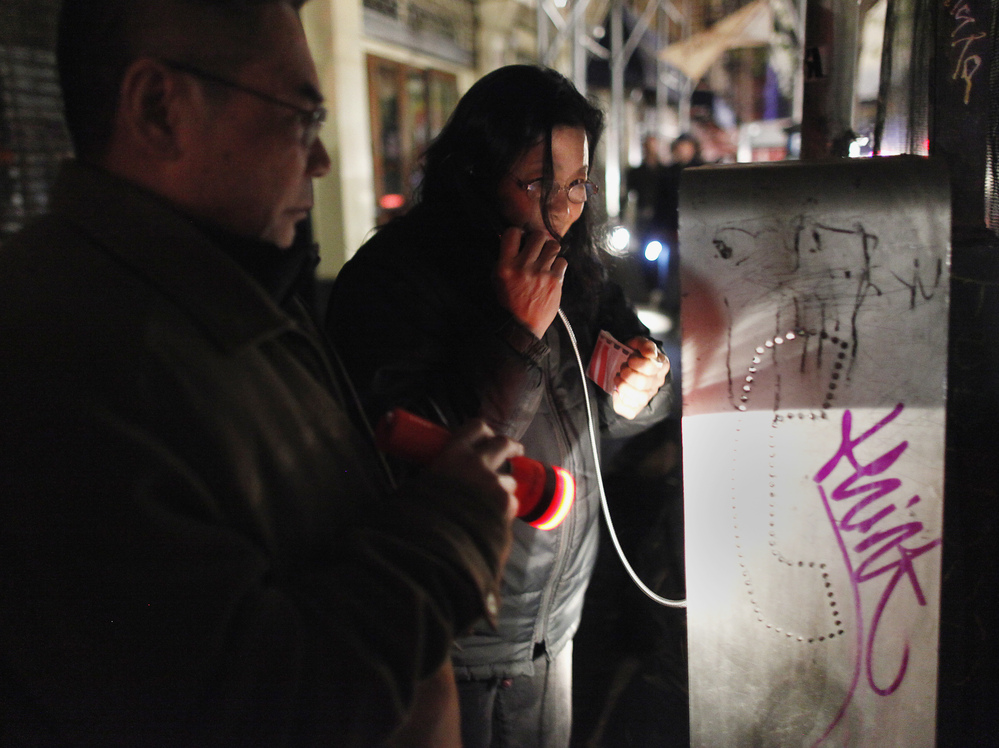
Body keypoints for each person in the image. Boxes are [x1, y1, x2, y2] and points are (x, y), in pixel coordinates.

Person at [0, 1, 523, 745]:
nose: (322, 159)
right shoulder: (68, 353)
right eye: (301, 115)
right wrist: (450, 530)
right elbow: (254, 703)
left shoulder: (223, 290)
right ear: (160, 107)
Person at [326, 65, 673, 748]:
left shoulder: (576, 269)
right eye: (538, 184)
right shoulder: (392, 279)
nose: (563, 209)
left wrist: (641, 386)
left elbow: (619, 397)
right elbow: (404, 454)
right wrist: (513, 339)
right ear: (474, 172)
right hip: (459, 636)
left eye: (577, 185)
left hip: (556, 616)